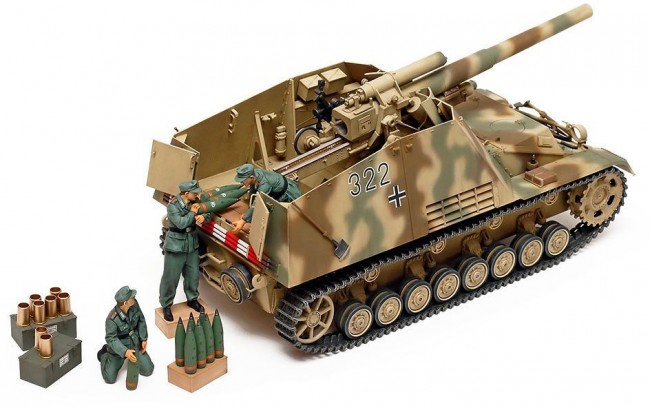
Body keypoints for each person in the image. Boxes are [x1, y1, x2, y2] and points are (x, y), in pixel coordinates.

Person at [160, 180, 211, 321]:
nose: (197, 195)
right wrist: (193, 213)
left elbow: (207, 211)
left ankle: (192, 299)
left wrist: (203, 216)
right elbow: (181, 224)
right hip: (176, 246)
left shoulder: (195, 201)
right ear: (186, 193)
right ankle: (166, 305)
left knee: (192, 275)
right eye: (195, 193)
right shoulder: (173, 206)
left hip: (191, 244)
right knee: (171, 277)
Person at [97, 286, 154, 384]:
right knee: (109, 378)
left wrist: (143, 338)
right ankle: (104, 354)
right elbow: (111, 338)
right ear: (125, 302)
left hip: (134, 342)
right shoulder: (111, 319)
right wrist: (124, 352)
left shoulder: (134, 304)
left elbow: (141, 320)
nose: (134, 297)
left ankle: (130, 355)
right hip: (120, 347)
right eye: (132, 297)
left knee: (148, 370)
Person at [231, 164, 301, 233]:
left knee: (288, 215)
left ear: (251, 177)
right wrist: (247, 215)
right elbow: (253, 193)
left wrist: (243, 221)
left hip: (288, 193)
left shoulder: (264, 185)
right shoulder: (255, 174)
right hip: (275, 192)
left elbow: (257, 202)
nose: (241, 182)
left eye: (243, 180)